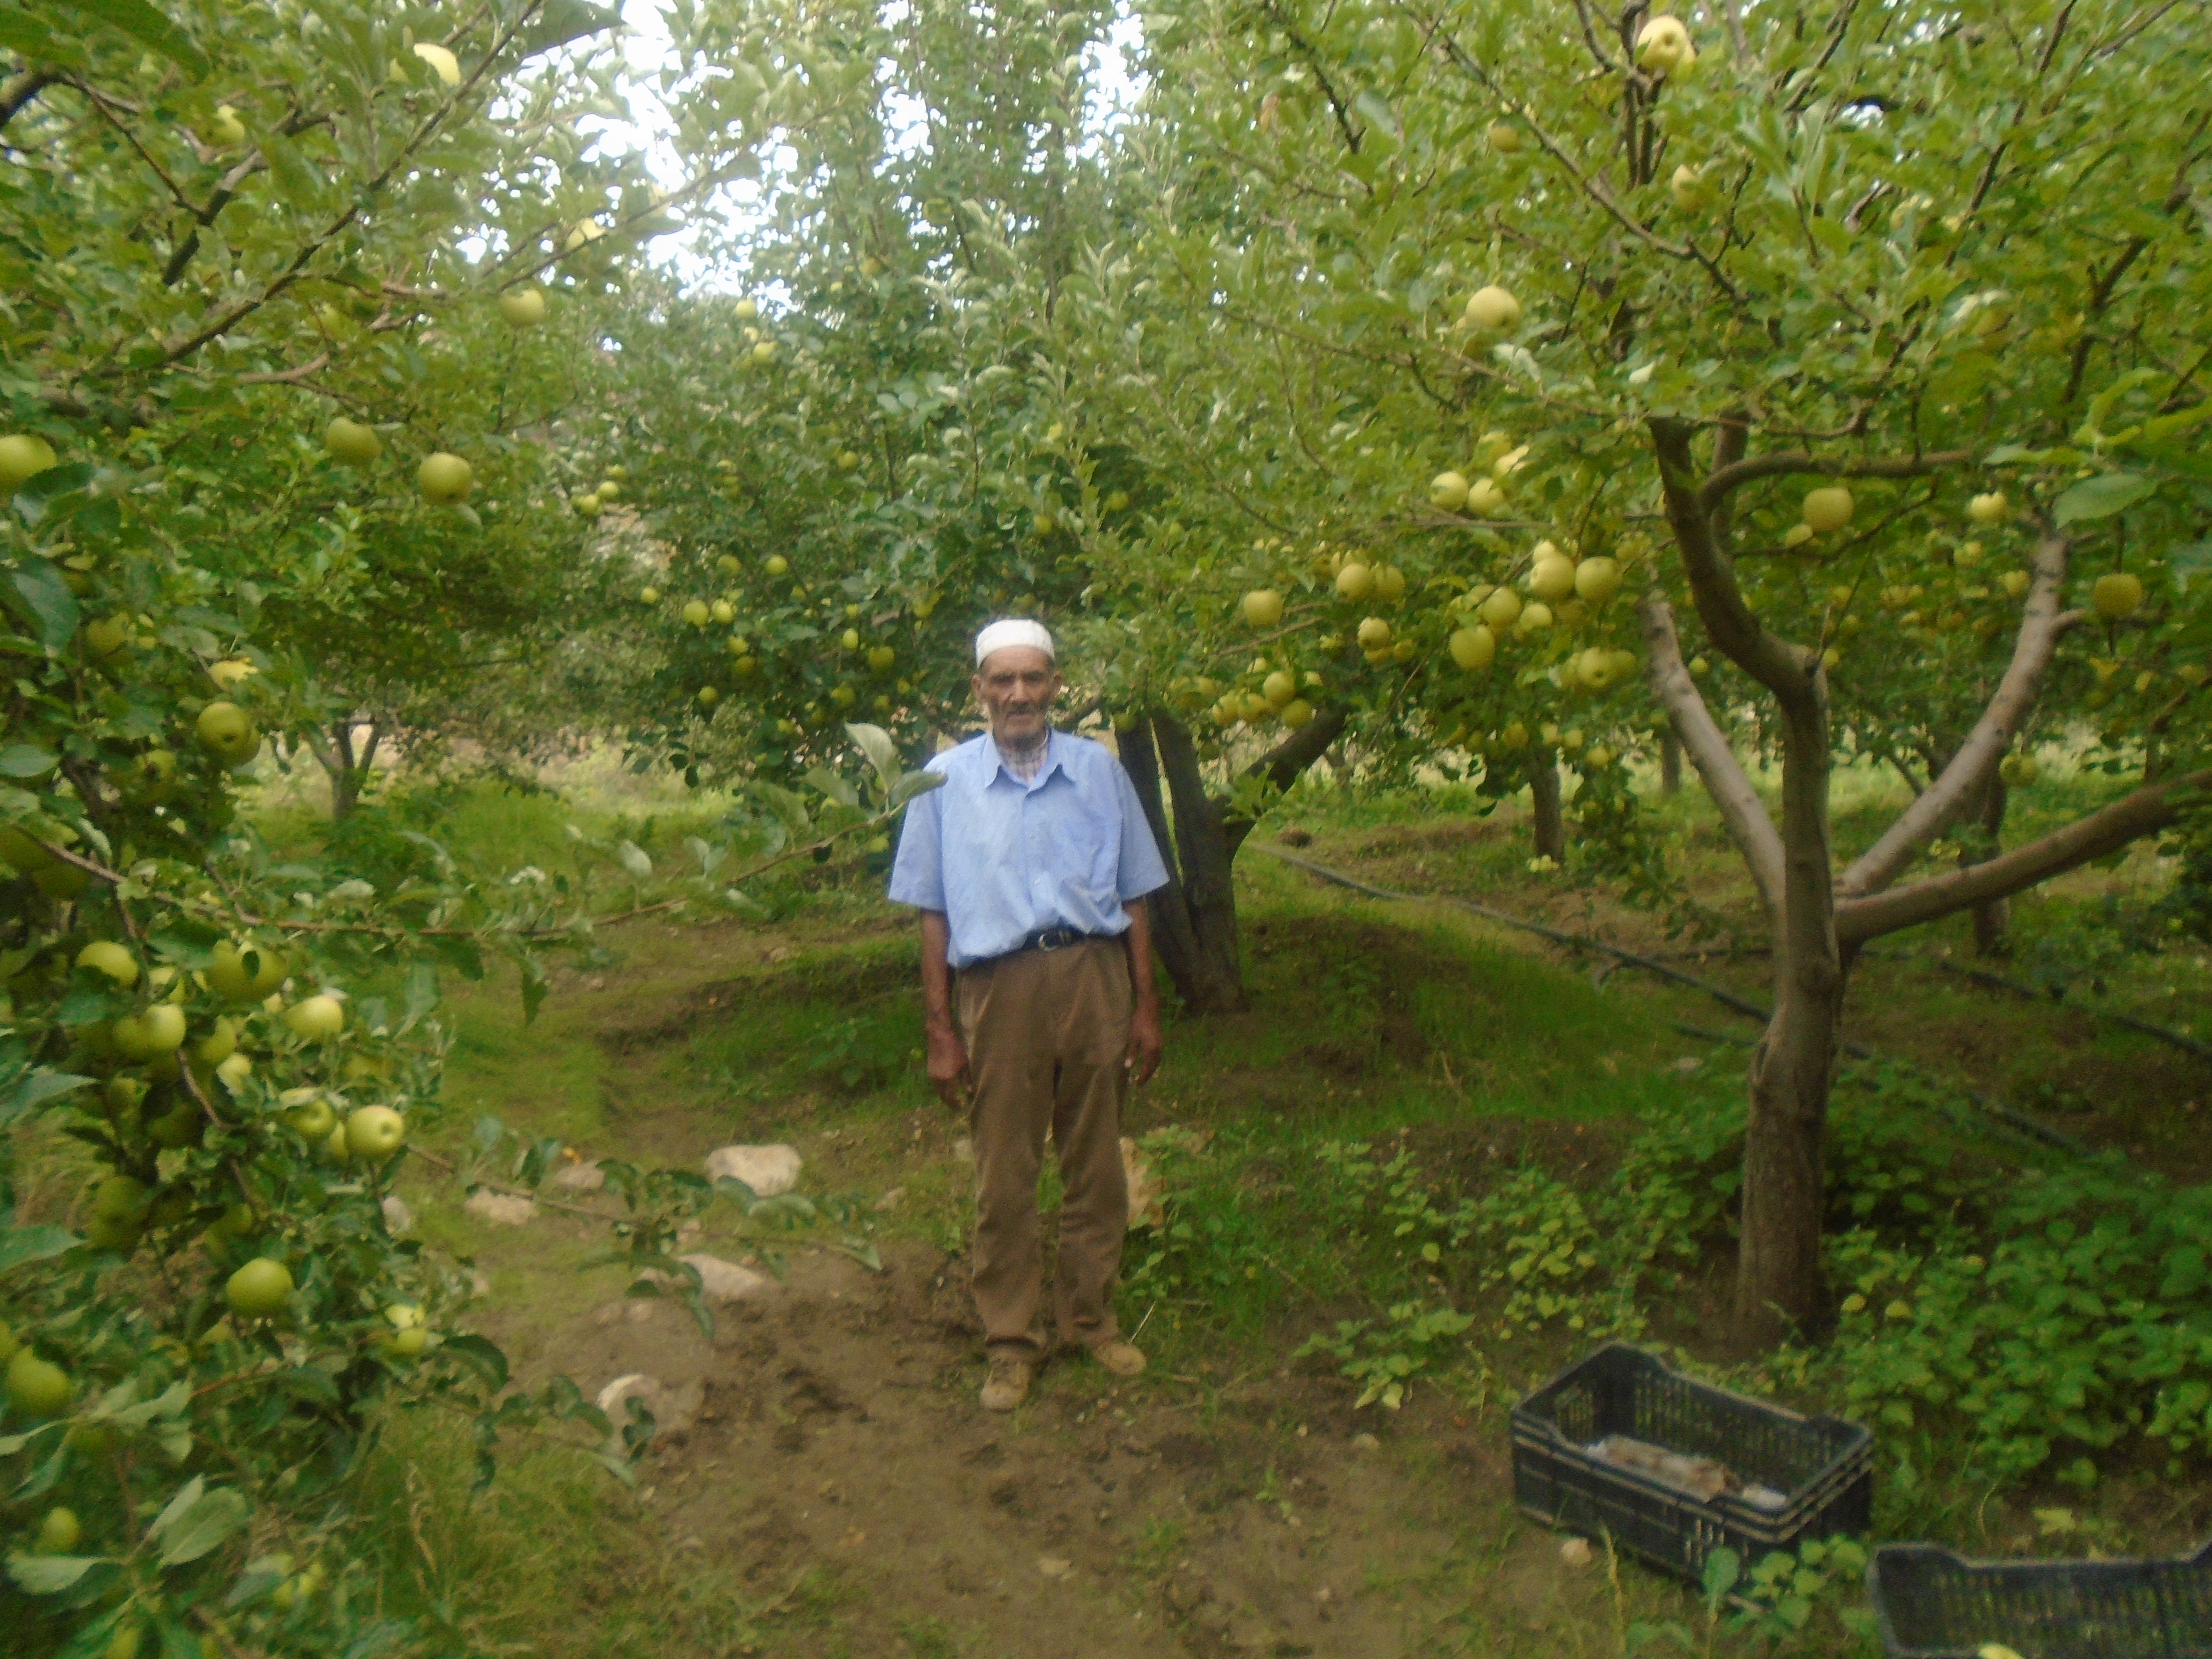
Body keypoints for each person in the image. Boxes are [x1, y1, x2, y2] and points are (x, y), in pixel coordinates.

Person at [888, 618, 1169, 1411]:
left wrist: (1146, 1007)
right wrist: (941, 1030)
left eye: (1034, 678)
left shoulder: (1100, 775)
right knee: (1004, 1172)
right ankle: (1010, 1341)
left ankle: (1091, 1320)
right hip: (997, 988)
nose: (1019, 694)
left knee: (1097, 1162)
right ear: (978, 689)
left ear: (1055, 687)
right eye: (1002, 680)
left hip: (1091, 975)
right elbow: (932, 914)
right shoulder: (941, 783)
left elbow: (1136, 894)